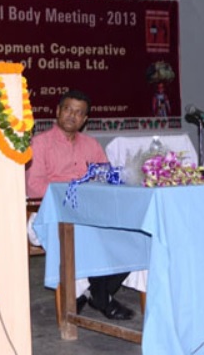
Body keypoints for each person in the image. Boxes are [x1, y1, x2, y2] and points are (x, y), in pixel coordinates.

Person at [25, 90, 134, 320]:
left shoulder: (91, 145)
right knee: (88, 232)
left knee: (132, 232)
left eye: (78, 113)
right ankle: (101, 297)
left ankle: (95, 292)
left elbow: (106, 179)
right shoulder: (40, 143)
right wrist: (73, 196)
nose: (71, 116)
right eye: (67, 109)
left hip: (90, 211)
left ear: (85, 119)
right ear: (57, 111)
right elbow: (34, 186)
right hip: (52, 211)